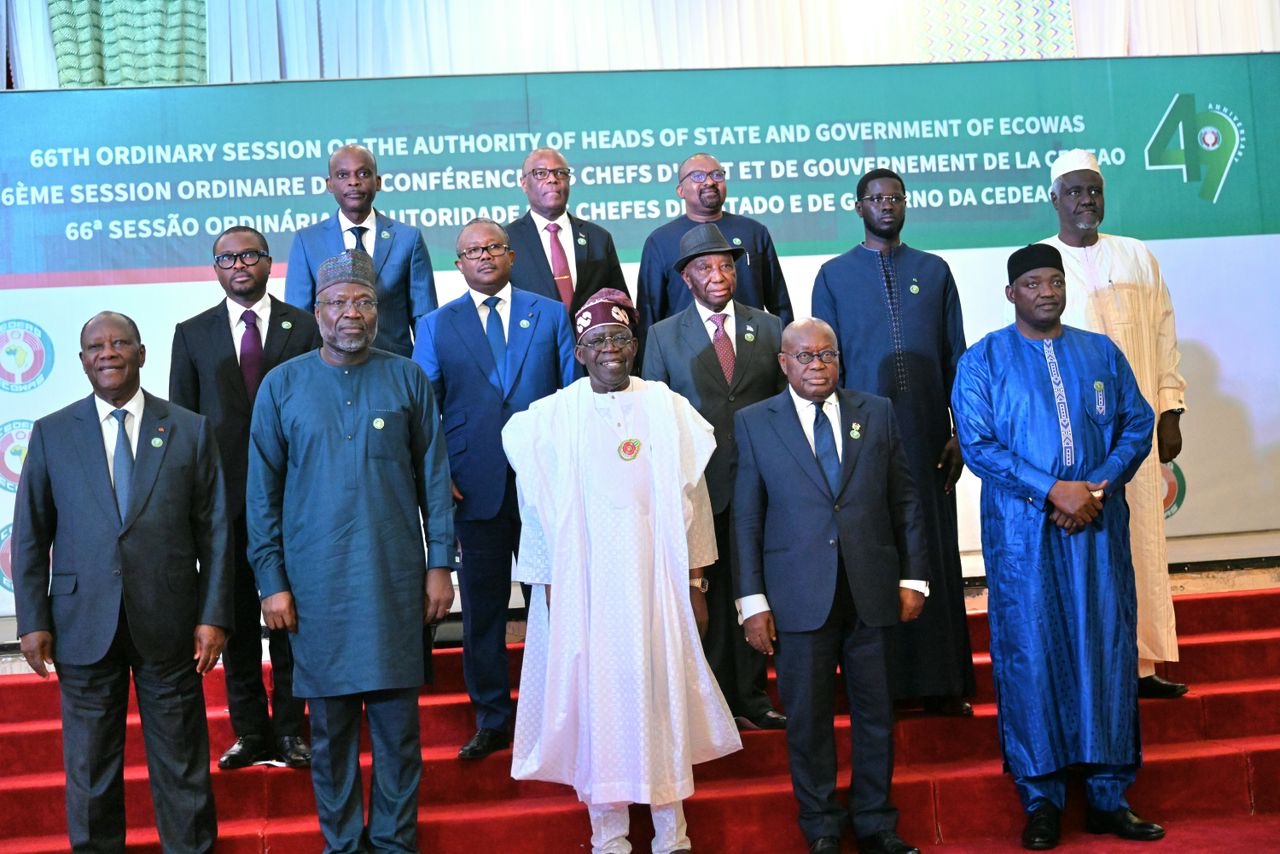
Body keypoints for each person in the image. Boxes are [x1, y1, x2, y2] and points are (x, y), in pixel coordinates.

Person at [502, 289, 741, 854]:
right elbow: (536, 510)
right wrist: (547, 586)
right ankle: (608, 835)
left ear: (635, 346)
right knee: (598, 704)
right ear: (579, 352)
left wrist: (696, 582)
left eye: (620, 338)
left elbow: (694, 501)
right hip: (585, 591)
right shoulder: (551, 418)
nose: (610, 348)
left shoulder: (666, 407)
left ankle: (671, 833)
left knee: (662, 697)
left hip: (657, 586)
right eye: (597, 340)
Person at [951, 244, 1163, 849]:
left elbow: (1136, 423)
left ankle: (1108, 795)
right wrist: (1052, 491)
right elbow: (978, 445)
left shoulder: (1100, 352)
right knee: (1031, 653)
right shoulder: (983, 360)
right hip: (1023, 535)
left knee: (1105, 647)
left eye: (1054, 281)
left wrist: (1095, 486)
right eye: (1033, 284)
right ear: (1011, 293)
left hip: (1096, 527)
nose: (1046, 292)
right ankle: (1041, 798)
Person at [248, 249, 455, 851]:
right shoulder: (282, 385)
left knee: (397, 733)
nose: (351, 313)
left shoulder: (407, 378)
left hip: (393, 581)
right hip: (315, 589)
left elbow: (434, 479)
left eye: (363, 301)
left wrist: (440, 565)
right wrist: (271, 581)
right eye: (338, 302)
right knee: (331, 736)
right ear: (317, 311)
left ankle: (393, 842)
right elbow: (261, 494)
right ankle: (341, 843)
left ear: (378, 310)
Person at [12, 311, 233, 852]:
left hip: (171, 624)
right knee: (91, 771)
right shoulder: (52, 433)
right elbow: (31, 536)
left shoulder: (188, 428)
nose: (107, 353)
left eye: (119, 343)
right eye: (96, 347)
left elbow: (216, 533)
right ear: (82, 360)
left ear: (141, 353)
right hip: (82, 624)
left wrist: (214, 615)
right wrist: (33, 621)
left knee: (182, 765)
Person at [734, 317, 927, 854]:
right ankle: (820, 826)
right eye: (804, 356)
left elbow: (905, 500)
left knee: (875, 713)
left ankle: (876, 822)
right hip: (797, 597)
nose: (817, 366)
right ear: (783, 363)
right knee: (808, 720)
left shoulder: (876, 412)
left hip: (872, 590)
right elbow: (746, 518)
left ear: (839, 359)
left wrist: (914, 577)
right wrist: (751, 601)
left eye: (827, 355)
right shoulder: (755, 422)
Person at [811, 167, 974, 716]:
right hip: (864, 441)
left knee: (935, 550)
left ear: (905, 204)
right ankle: (884, 688)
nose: (886, 205)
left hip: (929, 437)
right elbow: (825, 367)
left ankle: (945, 684)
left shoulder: (934, 270)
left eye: (895, 197)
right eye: (875, 198)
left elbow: (957, 357)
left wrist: (960, 432)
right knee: (876, 556)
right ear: (858, 207)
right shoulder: (833, 276)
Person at [412, 218, 575, 760]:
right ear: (458, 264)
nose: (483, 256)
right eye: (472, 251)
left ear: (511, 256)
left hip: (544, 485)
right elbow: (425, 410)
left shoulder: (549, 313)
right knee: (482, 609)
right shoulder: (436, 325)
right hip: (471, 485)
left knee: (553, 604)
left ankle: (560, 712)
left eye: (493, 247)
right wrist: (439, 475)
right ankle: (492, 718)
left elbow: (573, 395)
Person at [170, 226, 321, 770]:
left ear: (267, 261)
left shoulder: (304, 325)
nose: (239, 265)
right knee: (233, 619)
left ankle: (291, 729)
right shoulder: (192, 334)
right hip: (223, 504)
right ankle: (251, 732)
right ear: (216, 269)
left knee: (290, 619)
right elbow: (183, 426)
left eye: (249, 255)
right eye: (227, 259)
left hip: (294, 498)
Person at [1042, 149, 1189, 699]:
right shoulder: (1040, 263)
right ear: (1054, 198)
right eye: (1074, 191)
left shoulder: (1136, 256)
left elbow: (1164, 334)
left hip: (1136, 428)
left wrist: (1170, 409)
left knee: (1143, 541)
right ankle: (1094, 671)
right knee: (1089, 549)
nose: (1086, 200)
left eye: (1094, 191)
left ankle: (1143, 666)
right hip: (1075, 438)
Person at [641, 222, 787, 731]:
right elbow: (655, 414)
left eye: (726, 265)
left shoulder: (770, 328)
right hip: (699, 486)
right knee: (709, 594)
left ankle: (753, 696)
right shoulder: (662, 336)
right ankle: (713, 701)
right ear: (686, 278)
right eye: (705, 267)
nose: (718, 275)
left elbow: (783, 406)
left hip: (762, 483)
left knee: (756, 587)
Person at [284, 144, 438, 358]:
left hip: (394, 366)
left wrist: (421, 369)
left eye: (363, 173)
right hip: (329, 368)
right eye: (342, 175)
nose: (354, 181)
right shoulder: (307, 241)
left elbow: (424, 318)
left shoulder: (408, 239)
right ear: (329, 184)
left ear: (378, 182)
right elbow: (300, 320)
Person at [637, 152, 792, 344]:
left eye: (717, 174)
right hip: (687, 352)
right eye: (698, 176)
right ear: (680, 191)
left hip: (751, 346)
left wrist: (788, 349)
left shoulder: (753, 232)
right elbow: (649, 313)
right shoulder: (660, 240)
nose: (710, 182)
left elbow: (780, 304)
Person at [506, 147, 629, 315]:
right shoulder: (507, 241)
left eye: (560, 173)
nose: (552, 179)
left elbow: (620, 303)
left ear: (569, 180)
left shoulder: (598, 238)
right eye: (541, 173)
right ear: (523, 183)